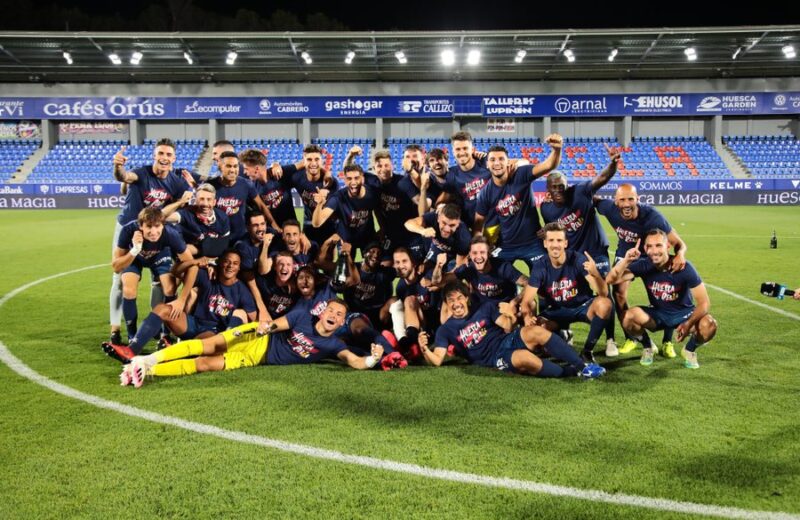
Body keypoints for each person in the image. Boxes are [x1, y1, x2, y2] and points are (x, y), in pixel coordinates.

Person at [120, 299, 385, 388]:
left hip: (257, 357)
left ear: (340, 323)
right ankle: (146, 359)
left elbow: (354, 361)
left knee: (205, 365)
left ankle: (147, 371)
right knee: (207, 345)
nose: (334, 316)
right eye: (332, 310)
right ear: (323, 311)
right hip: (255, 336)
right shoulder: (303, 316)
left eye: (339, 315)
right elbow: (277, 324)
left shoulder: (333, 345)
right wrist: (264, 326)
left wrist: (372, 359)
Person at [418, 281, 605, 379]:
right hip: (495, 358)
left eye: (459, 298)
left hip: (508, 339)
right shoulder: (445, 330)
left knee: (535, 331)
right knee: (525, 358)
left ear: (466, 298)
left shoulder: (485, 308)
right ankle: (569, 372)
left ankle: (583, 367)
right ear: (447, 304)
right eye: (451, 300)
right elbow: (437, 360)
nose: (456, 303)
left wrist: (510, 314)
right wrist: (425, 349)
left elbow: (507, 326)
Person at [109, 138, 192, 345]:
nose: (164, 158)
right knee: (120, 282)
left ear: (174, 158)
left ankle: (160, 330)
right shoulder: (141, 173)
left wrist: (188, 194)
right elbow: (124, 177)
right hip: (130, 230)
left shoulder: (176, 182)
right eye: (160, 153)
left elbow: (189, 199)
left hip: (154, 232)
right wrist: (118, 166)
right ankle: (117, 329)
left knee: (162, 283)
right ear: (154, 155)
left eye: (168, 154)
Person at [539, 145, 620, 355]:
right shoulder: (546, 208)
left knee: (604, 292)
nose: (558, 190)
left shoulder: (581, 191)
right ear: (547, 190)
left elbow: (602, 178)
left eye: (561, 186)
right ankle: (565, 330)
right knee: (567, 293)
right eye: (553, 187)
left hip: (595, 251)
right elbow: (553, 231)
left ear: (568, 185)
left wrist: (613, 163)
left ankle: (611, 339)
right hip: (573, 257)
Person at [107, 250, 257, 362]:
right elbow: (175, 271)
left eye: (235, 263)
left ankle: (163, 356)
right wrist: (194, 262)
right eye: (227, 262)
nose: (230, 266)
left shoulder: (242, 291)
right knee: (162, 308)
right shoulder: (208, 275)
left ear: (239, 267)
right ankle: (131, 351)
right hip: (191, 323)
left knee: (198, 345)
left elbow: (252, 318)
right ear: (220, 263)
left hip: (211, 331)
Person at [595, 183, 688, 357]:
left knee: (665, 294)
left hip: (652, 256)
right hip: (626, 255)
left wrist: (680, 255)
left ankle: (667, 341)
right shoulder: (609, 208)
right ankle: (632, 337)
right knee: (618, 293)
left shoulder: (653, 217)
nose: (626, 204)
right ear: (615, 201)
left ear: (638, 199)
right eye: (622, 199)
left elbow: (678, 243)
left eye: (631, 199)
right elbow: (590, 198)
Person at [606, 229, 717, 369]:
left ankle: (689, 350)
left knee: (709, 325)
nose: (654, 251)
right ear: (645, 248)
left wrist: (688, 324)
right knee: (627, 318)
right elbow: (610, 280)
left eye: (658, 245)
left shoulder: (684, 267)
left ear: (667, 246)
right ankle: (648, 347)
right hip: (658, 315)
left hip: (684, 314)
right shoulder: (644, 265)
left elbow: (704, 303)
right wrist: (626, 260)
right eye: (649, 246)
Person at [521, 223, 613, 364]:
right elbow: (527, 301)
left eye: (559, 240)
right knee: (534, 333)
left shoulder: (578, 259)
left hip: (582, 306)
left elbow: (603, 292)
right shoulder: (540, 266)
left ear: (565, 243)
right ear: (545, 243)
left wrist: (596, 274)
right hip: (556, 311)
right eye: (551, 240)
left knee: (605, 304)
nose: (555, 245)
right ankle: (561, 336)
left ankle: (587, 351)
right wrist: (527, 317)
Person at [473, 138, 562, 272]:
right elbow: (478, 224)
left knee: (545, 277)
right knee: (492, 274)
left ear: (508, 162)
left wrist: (557, 149)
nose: (497, 163)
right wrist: (481, 245)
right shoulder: (485, 193)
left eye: (501, 159)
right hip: (506, 245)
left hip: (533, 243)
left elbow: (548, 165)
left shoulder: (521, 174)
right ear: (487, 164)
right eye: (492, 160)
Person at [109, 207, 193, 348]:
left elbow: (190, 263)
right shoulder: (128, 230)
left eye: (157, 226)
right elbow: (116, 267)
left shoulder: (171, 234)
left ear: (163, 225)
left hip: (160, 255)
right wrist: (135, 250)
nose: (153, 232)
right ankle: (132, 336)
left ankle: (165, 335)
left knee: (170, 288)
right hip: (134, 257)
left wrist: (182, 289)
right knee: (128, 289)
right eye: (148, 226)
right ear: (140, 226)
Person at [430, 235, 527, 306]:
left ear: (489, 254)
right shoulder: (468, 269)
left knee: (529, 305)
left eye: (482, 252)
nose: (479, 257)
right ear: (470, 255)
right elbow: (438, 282)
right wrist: (439, 265)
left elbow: (528, 283)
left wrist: (514, 302)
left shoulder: (502, 267)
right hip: (483, 310)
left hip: (505, 305)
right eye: (475, 253)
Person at [312, 164, 381, 257]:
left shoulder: (371, 193)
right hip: (346, 240)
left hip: (367, 238)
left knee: (373, 262)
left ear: (362, 179)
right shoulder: (338, 197)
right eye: (349, 178)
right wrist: (319, 204)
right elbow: (317, 223)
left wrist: (382, 229)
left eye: (356, 178)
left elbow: (377, 210)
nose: (353, 182)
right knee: (345, 265)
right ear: (344, 180)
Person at [211, 151, 279, 242]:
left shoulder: (246, 184)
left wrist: (274, 224)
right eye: (228, 166)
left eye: (235, 166)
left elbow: (261, 206)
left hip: (241, 237)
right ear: (220, 166)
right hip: (218, 236)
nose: (232, 170)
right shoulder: (210, 186)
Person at [162, 183, 230, 256]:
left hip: (214, 256)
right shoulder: (186, 214)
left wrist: (199, 250)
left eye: (209, 200)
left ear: (214, 202)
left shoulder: (222, 217)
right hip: (188, 256)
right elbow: (161, 216)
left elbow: (224, 245)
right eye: (201, 199)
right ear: (196, 200)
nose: (205, 204)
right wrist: (180, 202)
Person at [240, 148, 295, 231]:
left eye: (246, 169)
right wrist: (276, 228)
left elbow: (303, 164)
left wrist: (276, 164)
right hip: (269, 231)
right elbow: (261, 208)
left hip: (291, 227)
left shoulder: (280, 173)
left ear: (257, 169)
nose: (244, 172)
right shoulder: (251, 186)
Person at [405, 203, 470, 269]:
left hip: (453, 257)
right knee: (422, 269)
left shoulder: (463, 237)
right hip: (436, 247)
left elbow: (458, 268)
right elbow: (408, 224)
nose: (447, 229)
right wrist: (422, 231)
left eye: (452, 225)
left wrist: (439, 272)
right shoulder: (433, 217)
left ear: (458, 224)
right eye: (444, 223)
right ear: (438, 218)